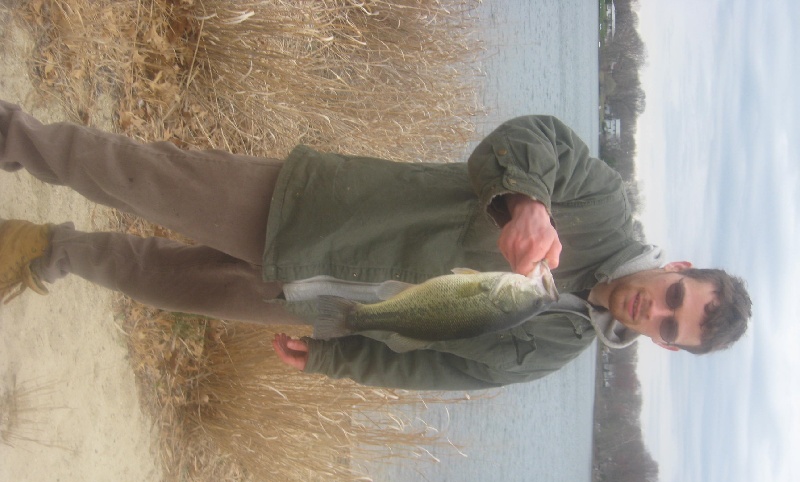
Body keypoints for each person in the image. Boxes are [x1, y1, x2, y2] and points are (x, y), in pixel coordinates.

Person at [0, 99, 752, 390]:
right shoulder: (604, 203)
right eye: (675, 295)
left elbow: (440, 368)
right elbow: (531, 139)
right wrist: (528, 203)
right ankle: (16, 137)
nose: (656, 306)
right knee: (142, 178)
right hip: (326, 210)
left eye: (667, 325)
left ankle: (49, 252)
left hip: (329, 311)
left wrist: (336, 355)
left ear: (659, 344)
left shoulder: (556, 349)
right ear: (678, 266)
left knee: (163, 281)